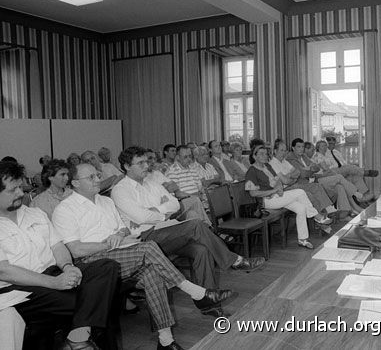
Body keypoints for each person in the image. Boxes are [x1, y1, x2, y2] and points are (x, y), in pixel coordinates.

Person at [52, 163, 233, 350]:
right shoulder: (65, 209)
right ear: (75, 182)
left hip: (121, 252)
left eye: (97, 175)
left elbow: (122, 227)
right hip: (93, 263)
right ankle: (197, 293)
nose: (98, 179)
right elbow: (75, 250)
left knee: (152, 274)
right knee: (149, 248)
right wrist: (108, 244)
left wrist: (119, 235)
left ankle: (166, 341)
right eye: (91, 177)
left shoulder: (105, 201)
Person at [111, 146, 264, 316]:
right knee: (196, 224)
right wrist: (162, 210)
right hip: (147, 238)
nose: (146, 166)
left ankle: (209, 304)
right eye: (140, 163)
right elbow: (141, 217)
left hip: (168, 231)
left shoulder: (152, 183)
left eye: (146, 162)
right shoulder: (120, 190)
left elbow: (175, 204)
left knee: (202, 250)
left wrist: (155, 209)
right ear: (126, 166)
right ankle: (234, 260)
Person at [0, 161, 120, 350]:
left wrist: (68, 267)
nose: (20, 193)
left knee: (107, 267)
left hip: (54, 273)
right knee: (91, 302)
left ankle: (77, 338)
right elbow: (4, 271)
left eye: (20, 187)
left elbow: (58, 247)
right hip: (21, 288)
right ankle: (80, 339)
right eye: (12, 190)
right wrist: (54, 283)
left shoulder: (34, 214)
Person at [246, 145, 319, 249]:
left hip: (277, 197)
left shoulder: (268, 166)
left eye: (266, 154)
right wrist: (274, 191)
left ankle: (303, 239)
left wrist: (279, 188)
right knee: (300, 192)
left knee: (301, 208)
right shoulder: (252, 171)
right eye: (261, 154)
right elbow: (253, 193)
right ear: (254, 156)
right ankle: (316, 216)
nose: (265, 156)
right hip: (266, 201)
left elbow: (278, 180)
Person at [287, 138, 367, 214]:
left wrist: (308, 169)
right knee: (339, 176)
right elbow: (303, 174)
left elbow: (316, 167)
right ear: (293, 148)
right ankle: (356, 194)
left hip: (315, 178)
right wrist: (310, 169)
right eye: (299, 147)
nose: (301, 149)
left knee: (340, 186)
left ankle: (344, 213)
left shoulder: (303, 156)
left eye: (302, 147)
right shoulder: (291, 159)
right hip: (308, 183)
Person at [269, 139, 334, 227]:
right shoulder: (273, 163)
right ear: (275, 151)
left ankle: (324, 215)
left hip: (294, 185)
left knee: (316, 186)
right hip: (284, 190)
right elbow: (285, 181)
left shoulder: (284, 161)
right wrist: (291, 177)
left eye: (285, 150)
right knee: (309, 194)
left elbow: (297, 173)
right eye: (281, 150)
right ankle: (321, 217)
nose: (284, 153)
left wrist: (289, 177)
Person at [312, 139, 377, 199]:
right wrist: (336, 173)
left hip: (335, 170)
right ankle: (364, 172)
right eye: (323, 146)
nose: (325, 147)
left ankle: (363, 195)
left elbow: (340, 162)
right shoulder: (318, 156)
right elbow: (326, 169)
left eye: (326, 145)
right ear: (318, 147)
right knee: (348, 168)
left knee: (355, 176)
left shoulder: (326, 154)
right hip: (328, 174)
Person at [165, 145, 211, 224]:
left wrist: (204, 194)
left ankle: (207, 228)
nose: (189, 159)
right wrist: (194, 196)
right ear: (178, 157)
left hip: (197, 199)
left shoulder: (192, 169)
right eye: (185, 157)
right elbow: (177, 194)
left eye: (190, 156)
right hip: (182, 203)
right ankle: (209, 226)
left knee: (193, 214)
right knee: (195, 201)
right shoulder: (172, 172)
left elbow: (200, 187)